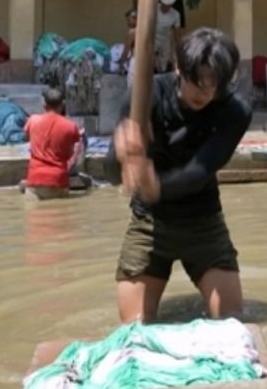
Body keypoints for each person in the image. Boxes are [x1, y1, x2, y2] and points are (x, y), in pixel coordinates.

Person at [107, 27, 252, 323]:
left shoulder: (234, 110)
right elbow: (110, 174)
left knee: (232, 324)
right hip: (150, 223)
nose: (205, 92)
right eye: (197, 81)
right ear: (178, 68)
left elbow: (201, 169)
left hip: (204, 221)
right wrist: (121, 156)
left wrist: (154, 185)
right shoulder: (146, 97)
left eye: (214, 85)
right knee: (134, 330)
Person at [23, 88, 82, 200]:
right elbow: (71, 154)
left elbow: (26, 137)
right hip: (58, 182)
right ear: (63, 105)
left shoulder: (32, 120)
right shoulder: (71, 126)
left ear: (44, 104)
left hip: (34, 182)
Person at [154, 0, 182, 73]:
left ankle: (161, 76)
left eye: (168, 6)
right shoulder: (153, 9)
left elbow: (177, 31)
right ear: (161, 3)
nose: (166, 7)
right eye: (164, 5)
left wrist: (178, 46)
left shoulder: (175, 14)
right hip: (153, 38)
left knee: (163, 64)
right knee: (151, 62)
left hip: (165, 40)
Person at [118, 8, 137, 87]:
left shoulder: (132, 31)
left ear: (135, 19)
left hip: (135, 61)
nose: (127, 23)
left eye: (129, 20)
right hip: (145, 61)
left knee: (132, 87)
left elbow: (126, 50)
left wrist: (121, 64)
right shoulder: (145, 29)